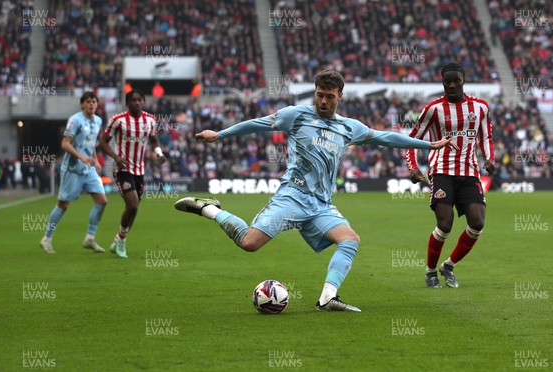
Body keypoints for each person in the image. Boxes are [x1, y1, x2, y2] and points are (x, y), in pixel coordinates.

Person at [174, 70, 457, 312]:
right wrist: (220, 134)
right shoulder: (296, 115)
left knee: (350, 240)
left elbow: (384, 137)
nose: (323, 101)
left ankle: (327, 298)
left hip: (321, 204)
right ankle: (210, 208)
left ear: (340, 96)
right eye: (319, 94)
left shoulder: (349, 127)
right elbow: (256, 124)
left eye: (329, 96)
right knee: (249, 244)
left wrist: (428, 146)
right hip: (292, 197)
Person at [405, 63, 496, 288]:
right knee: (445, 224)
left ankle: (449, 265)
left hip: (469, 172)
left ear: (463, 79)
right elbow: (412, 139)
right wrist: (413, 167)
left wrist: (490, 158)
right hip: (442, 172)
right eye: (448, 81)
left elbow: (486, 137)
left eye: (456, 80)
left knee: (478, 222)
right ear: (442, 82)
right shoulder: (433, 109)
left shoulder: (480, 107)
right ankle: (430, 272)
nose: (452, 85)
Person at [99, 89, 166, 258]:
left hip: (139, 169)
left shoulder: (150, 120)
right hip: (122, 168)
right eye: (133, 100)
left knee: (134, 210)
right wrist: (115, 156)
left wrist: (158, 152)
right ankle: (121, 242)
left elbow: (153, 139)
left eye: (140, 100)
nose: (137, 102)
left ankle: (117, 240)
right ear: (127, 102)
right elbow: (103, 141)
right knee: (133, 205)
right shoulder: (118, 120)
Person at [40, 92, 107, 254]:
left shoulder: (97, 120)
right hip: (72, 169)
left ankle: (89, 238)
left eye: (94, 102)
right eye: (88, 102)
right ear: (82, 104)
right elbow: (65, 144)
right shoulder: (75, 120)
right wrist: (82, 157)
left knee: (102, 201)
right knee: (63, 205)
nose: (91, 104)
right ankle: (46, 239)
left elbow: (90, 143)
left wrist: (95, 160)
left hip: (88, 168)